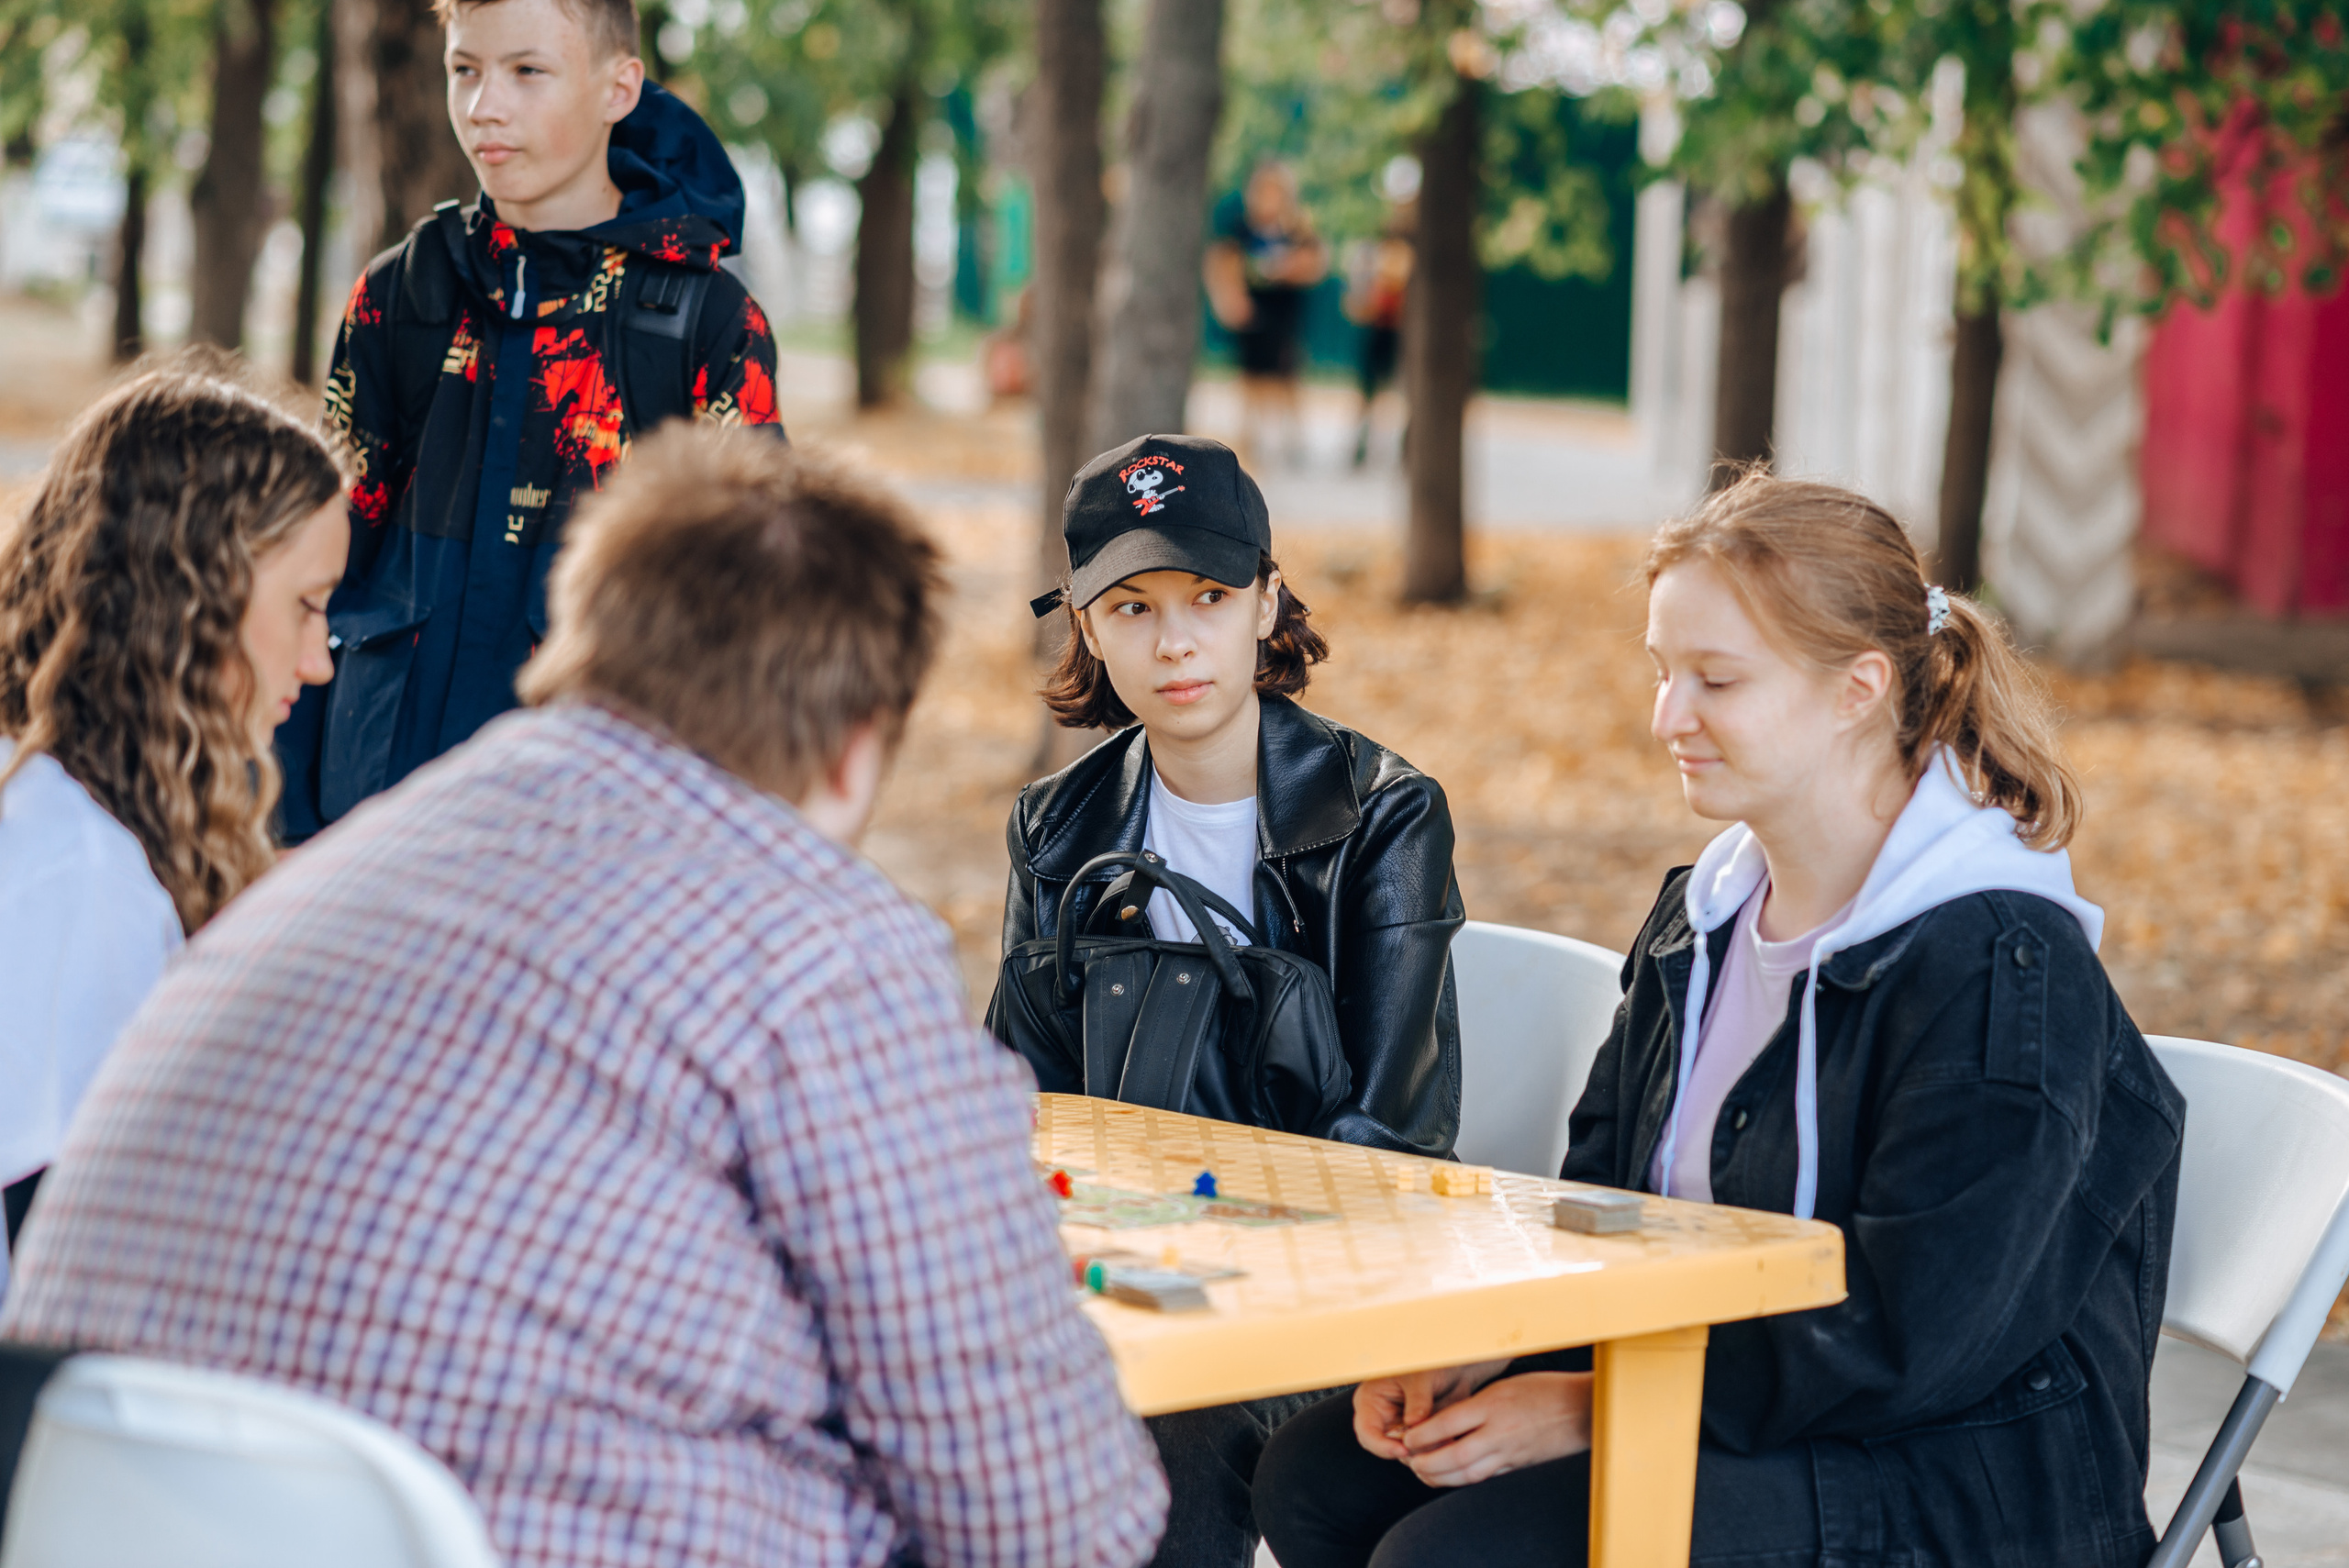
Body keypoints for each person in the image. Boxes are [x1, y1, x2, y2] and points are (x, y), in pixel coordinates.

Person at [4, 428, 1167, 1568]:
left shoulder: (345, 862)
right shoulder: (821, 942)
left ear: (580, 639)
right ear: (861, 745)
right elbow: (1050, 1513)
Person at [1254, 473, 2185, 1568]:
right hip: (1745, 1398)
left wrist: (1592, 1403)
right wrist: (1486, 1347)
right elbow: (1603, 1205)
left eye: (1716, 679)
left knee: (1457, 1552)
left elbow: (1906, 1336)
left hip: (1956, 1471)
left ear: (1858, 688)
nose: (1667, 717)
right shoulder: (1699, 920)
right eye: (1662, 671)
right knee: (1318, 1476)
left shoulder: (1996, 966)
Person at [1001, 432, 1464, 1568]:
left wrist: (1201, 1271)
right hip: (1118, 1276)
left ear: (1266, 603)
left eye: (1208, 595)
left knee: (1174, 1425)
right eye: (1132, 607)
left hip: (1316, 1277)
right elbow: (1023, 1104)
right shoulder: (1056, 828)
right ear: (1087, 629)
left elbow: (1388, 1136)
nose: (1175, 641)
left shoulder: (1381, 816)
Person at [274, 0, 784, 841]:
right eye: (464, 70)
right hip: (374, 824)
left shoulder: (709, 325)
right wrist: (284, 820)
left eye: (527, 71)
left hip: (586, 844)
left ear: (620, 87)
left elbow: (751, 627)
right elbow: (321, 564)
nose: (484, 107)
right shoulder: (398, 295)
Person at [0, 367, 345, 1296]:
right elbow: (70, 1281)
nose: (317, 663)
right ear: (194, 594)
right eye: (307, 606)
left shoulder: (55, 798)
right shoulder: (77, 870)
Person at [1205, 163, 1327, 468]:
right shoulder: (1241, 228)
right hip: (1252, 311)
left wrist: (1287, 267)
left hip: (1285, 311)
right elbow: (1220, 263)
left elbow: (1316, 263)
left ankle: (1293, 441)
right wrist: (1229, 299)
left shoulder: (1296, 229)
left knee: (1287, 375)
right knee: (1251, 377)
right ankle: (1251, 440)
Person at [1340, 207, 1411, 468]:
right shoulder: (1373, 252)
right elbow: (1354, 300)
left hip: (1404, 332)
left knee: (1405, 392)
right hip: (1377, 329)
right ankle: (1360, 444)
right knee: (1367, 391)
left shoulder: (1416, 251)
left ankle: (1405, 449)